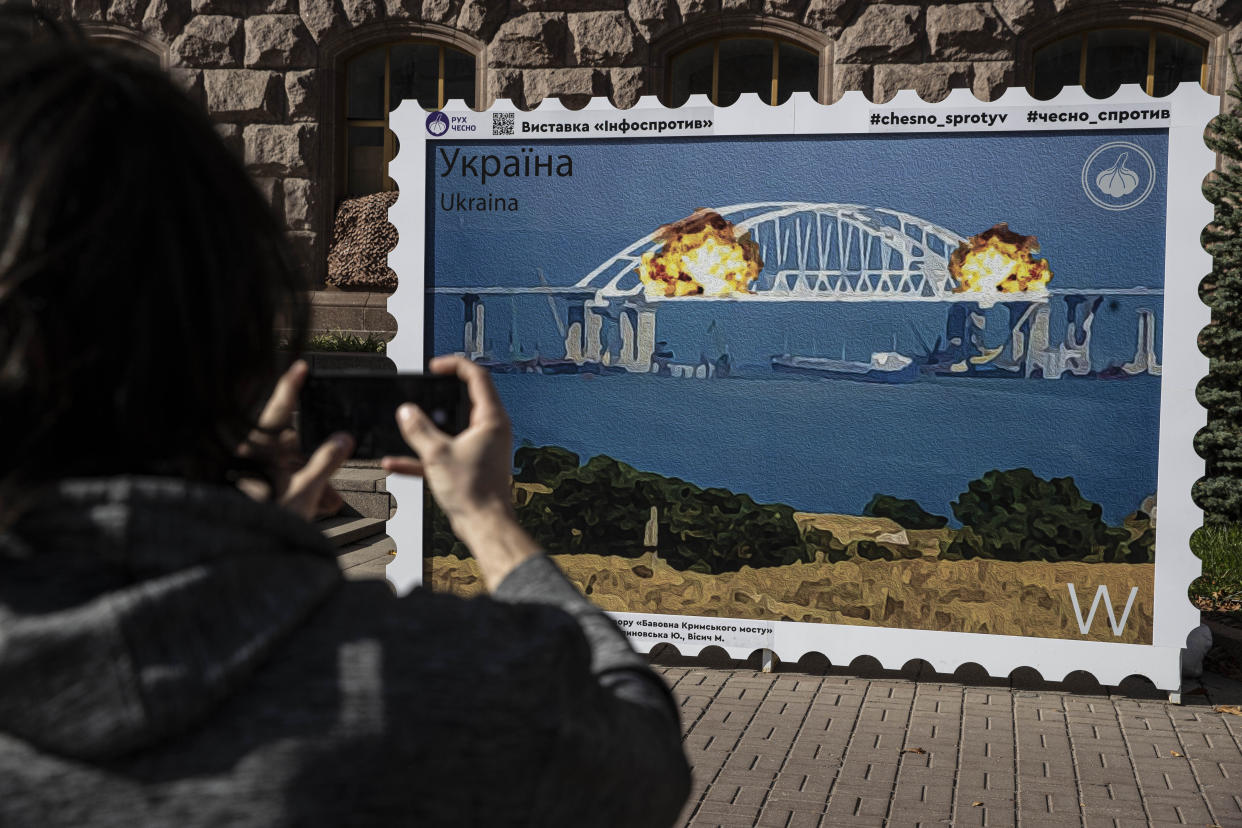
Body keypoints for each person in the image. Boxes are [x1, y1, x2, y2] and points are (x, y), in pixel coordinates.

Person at [0, 9, 691, 826]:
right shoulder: (438, 689)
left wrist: (236, 544)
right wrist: (486, 517)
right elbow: (639, 756)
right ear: (238, 334)